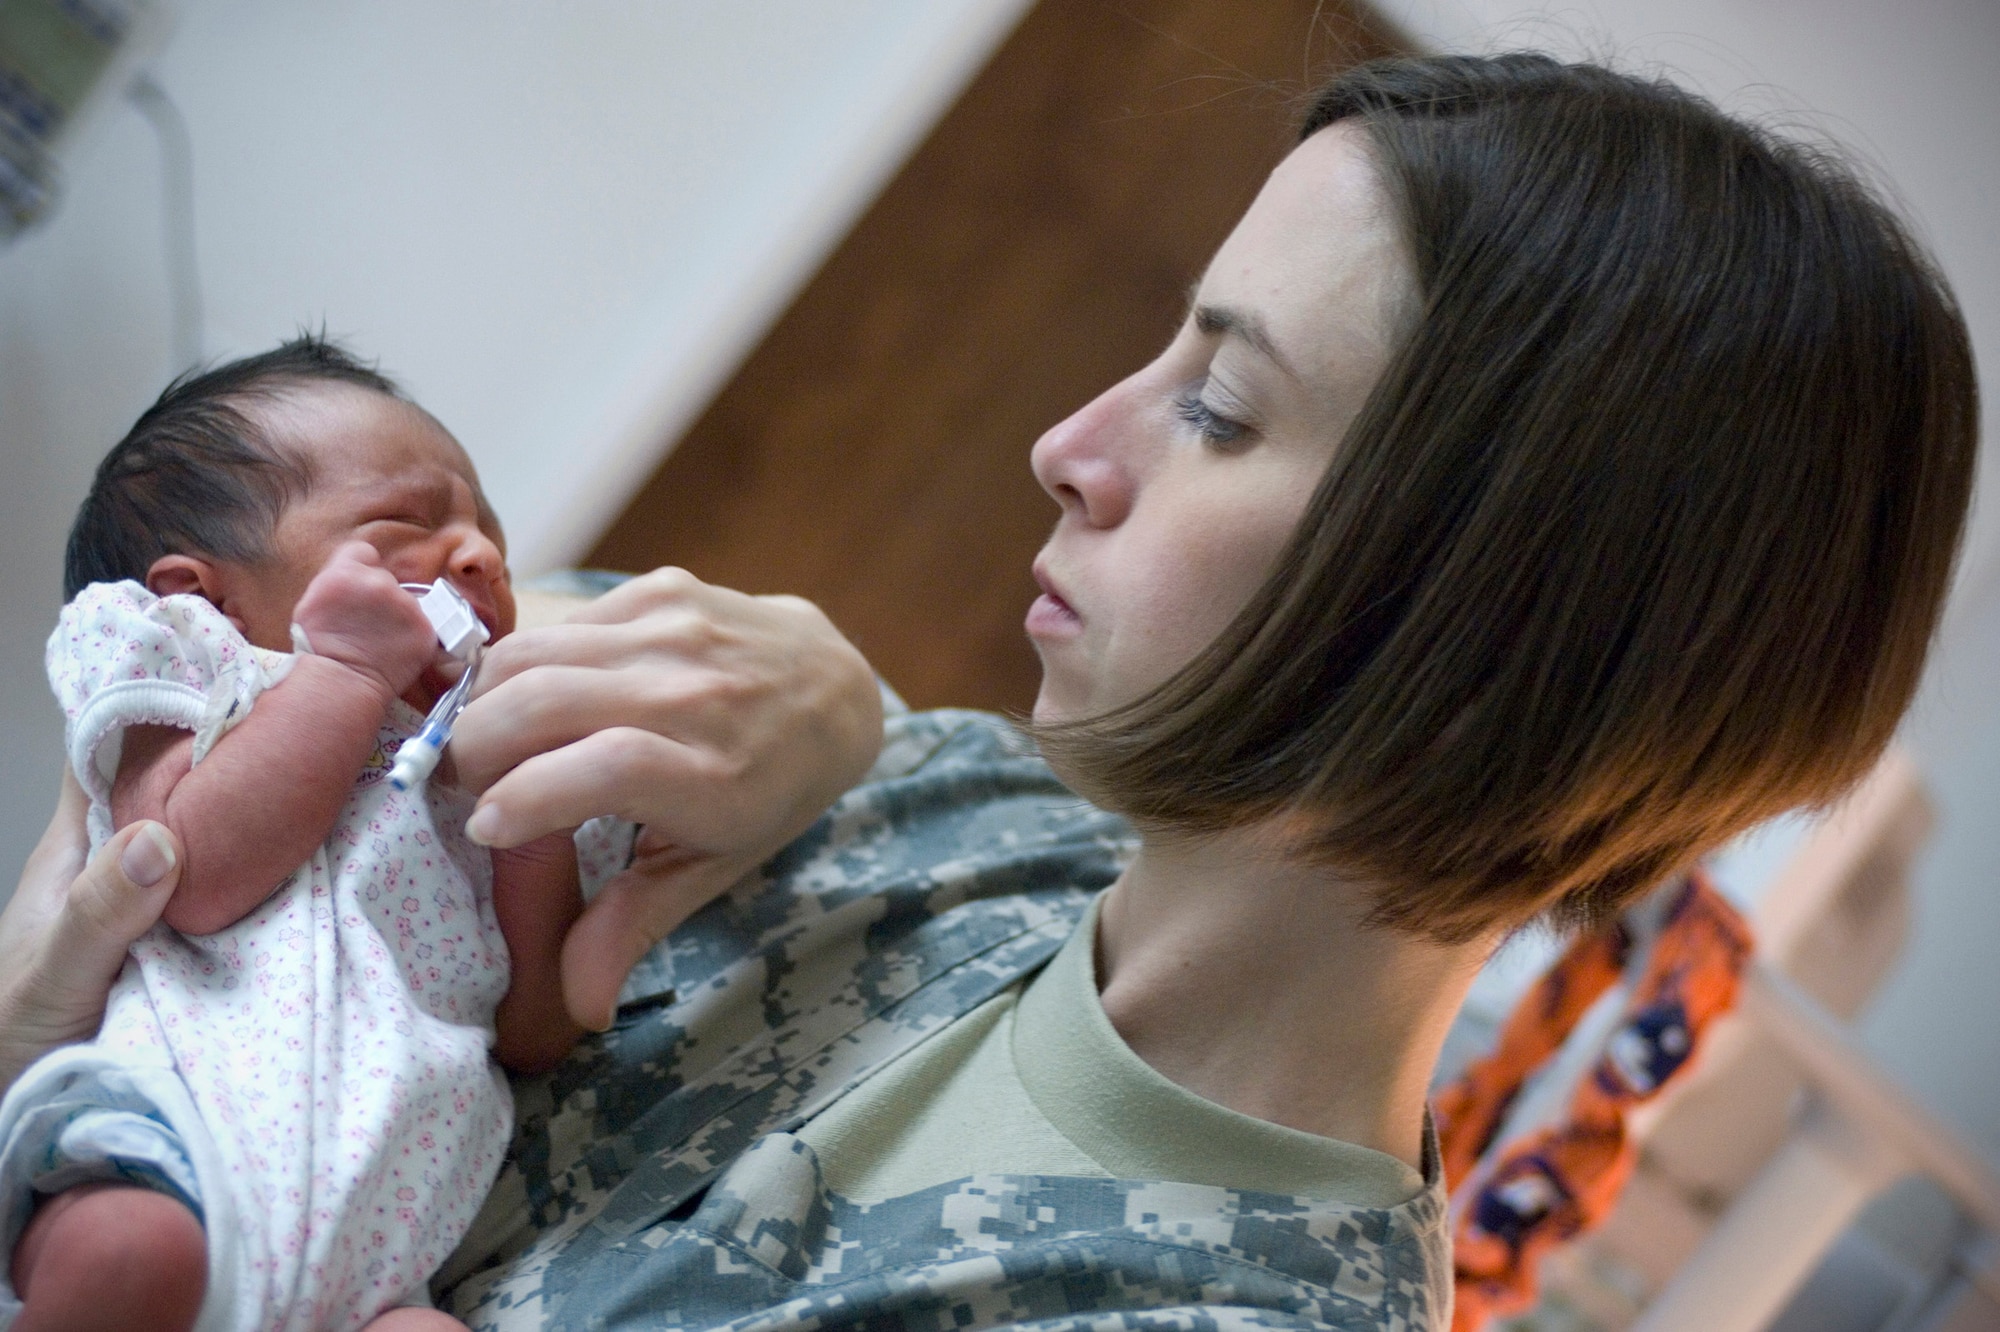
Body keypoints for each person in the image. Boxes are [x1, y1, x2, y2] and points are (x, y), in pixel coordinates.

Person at [0, 52, 1978, 1332]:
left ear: (1492, 639)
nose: (1067, 442)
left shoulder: (1174, 1303)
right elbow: (187, 773)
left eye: (1216, 408)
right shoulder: (882, 785)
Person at [0, 341, 614, 1332]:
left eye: (487, 533)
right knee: (129, 1256)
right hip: (165, 1145)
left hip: (375, 1250)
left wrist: (530, 824)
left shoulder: (464, 762)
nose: (483, 559)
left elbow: (538, 1033)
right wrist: (341, 675)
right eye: (407, 526)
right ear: (203, 598)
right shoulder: (199, 674)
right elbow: (190, 878)